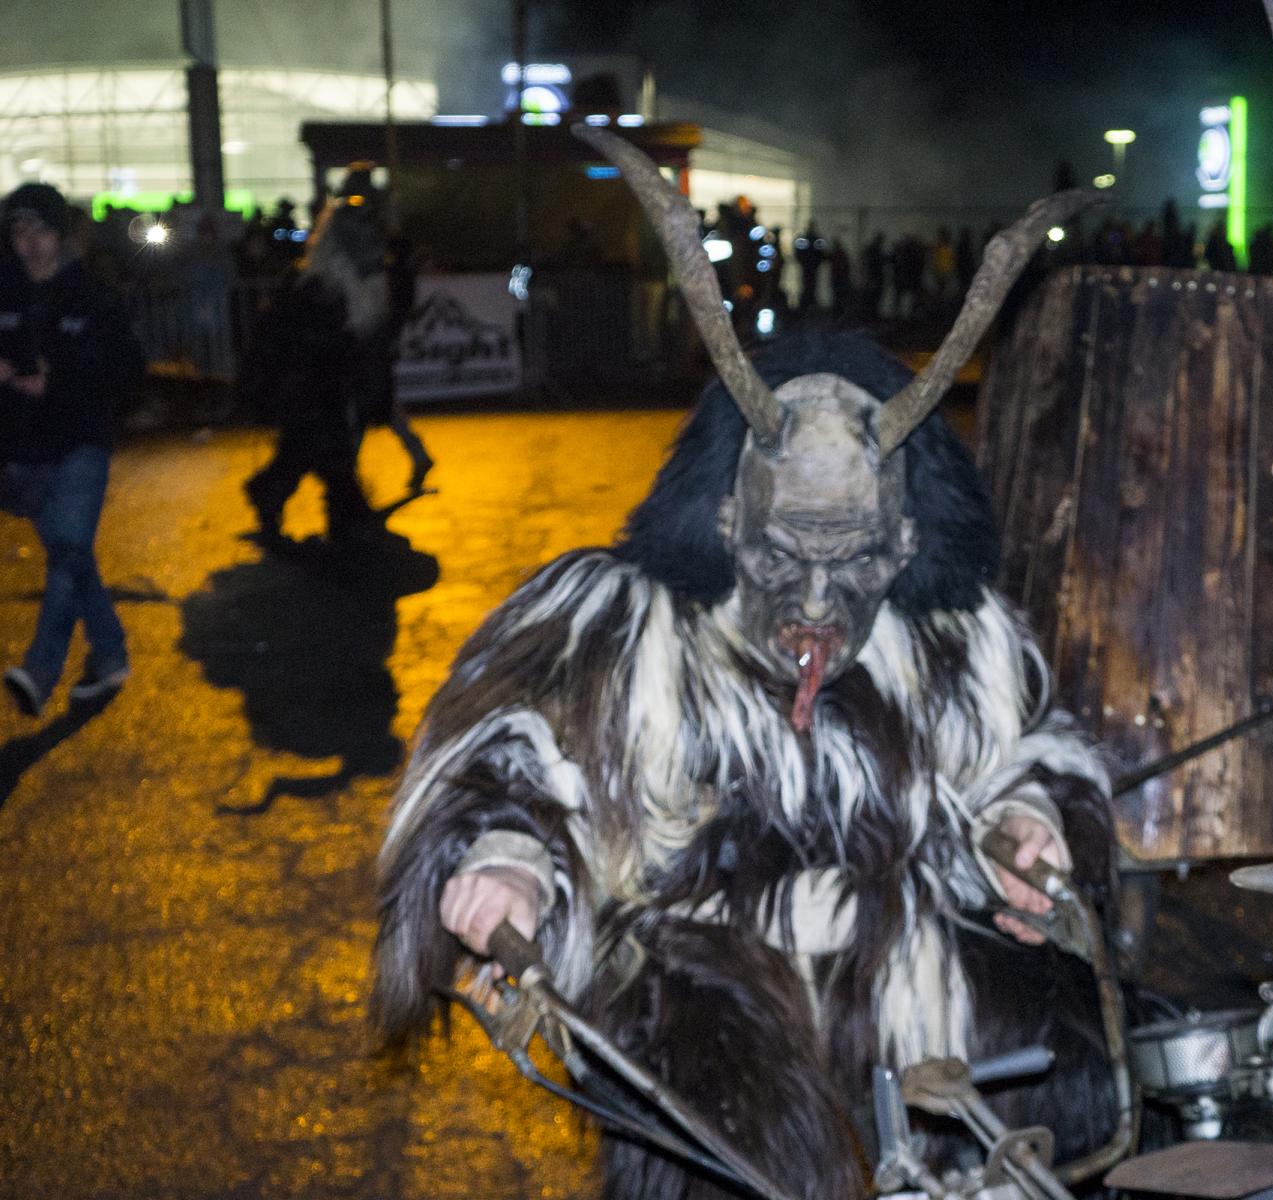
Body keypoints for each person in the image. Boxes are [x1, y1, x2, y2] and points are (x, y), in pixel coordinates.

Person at [372, 127, 1117, 1198]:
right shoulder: (618, 626)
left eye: (851, 562)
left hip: (913, 967)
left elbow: (1025, 748)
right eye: (781, 556)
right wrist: (508, 861)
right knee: (730, 1152)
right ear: (728, 521)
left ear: (903, 543)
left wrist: (1028, 819)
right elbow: (514, 761)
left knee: (1080, 1073)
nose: (814, 604)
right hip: (703, 988)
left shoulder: (957, 637)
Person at [0, 183, 142, 716]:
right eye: (19, 230)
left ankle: (40, 671)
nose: (29, 241)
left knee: (66, 554)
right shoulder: (6, 291)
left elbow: (126, 370)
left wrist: (57, 380)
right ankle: (110, 653)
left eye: (40, 229)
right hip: (24, 449)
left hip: (81, 442)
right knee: (74, 559)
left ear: (59, 233)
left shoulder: (93, 294)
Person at [241, 172, 418, 541]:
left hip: (321, 388)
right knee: (327, 454)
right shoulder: (319, 288)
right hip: (306, 387)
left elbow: (373, 326)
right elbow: (308, 345)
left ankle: (280, 499)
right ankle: (342, 519)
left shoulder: (341, 283)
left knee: (306, 452)